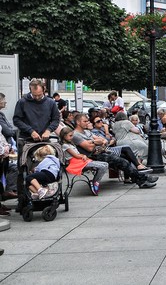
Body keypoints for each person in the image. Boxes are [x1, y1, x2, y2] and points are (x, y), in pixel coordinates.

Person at [72, 114, 156, 189]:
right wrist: (96, 142)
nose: (87, 123)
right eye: (85, 121)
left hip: (101, 152)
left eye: (87, 121)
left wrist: (96, 142)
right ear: (78, 122)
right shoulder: (76, 135)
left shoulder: (86, 132)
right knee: (121, 160)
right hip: (93, 156)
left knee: (125, 156)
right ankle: (142, 179)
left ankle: (141, 178)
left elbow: (104, 140)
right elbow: (89, 148)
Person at [13, 79, 60, 207]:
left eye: (39, 95)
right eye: (34, 95)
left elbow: (56, 119)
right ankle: (22, 200)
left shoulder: (50, 102)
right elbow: (16, 120)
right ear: (30, 91)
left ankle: (50, 193)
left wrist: (48, 130)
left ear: (44, 89)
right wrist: (30, 131)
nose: (37, 97)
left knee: (48, 165)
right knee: (23, 168)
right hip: (27, 139)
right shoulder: (23, 102)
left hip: (45, 139)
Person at [60, 127, 108, 196]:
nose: (72, 137)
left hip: (80, 160)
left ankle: (95, 181)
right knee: (102, 166)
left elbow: (78, 154)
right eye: (70, 136)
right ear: (64, 136)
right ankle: (95, 182)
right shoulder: (65, 145)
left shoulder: (71, 143)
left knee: (105, 164)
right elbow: (75, 155)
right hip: (75, 163)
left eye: (72, 135)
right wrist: (83, 156)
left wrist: (83, 155)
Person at [0, 93, 18, 200]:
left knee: (5, 170)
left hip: (5, 149)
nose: (5, 102)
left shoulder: (1, 115)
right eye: (3, 100)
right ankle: (7, 192)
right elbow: (8, 131)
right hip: (2, 151)